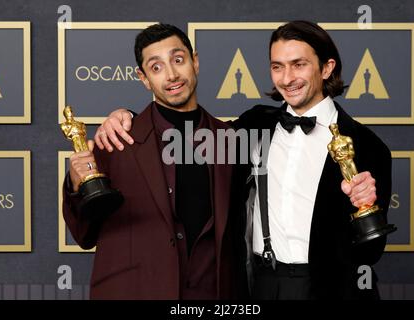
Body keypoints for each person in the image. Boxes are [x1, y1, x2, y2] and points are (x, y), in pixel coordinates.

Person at [93, 21, 390, 300]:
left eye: (299, 65)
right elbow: (181, 132)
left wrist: (364, 206)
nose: (287, 79)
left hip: (331, 289)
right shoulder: (255, 125)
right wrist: (127, 117)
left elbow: (372, 252)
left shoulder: (369, 148)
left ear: (326, 68)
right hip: (259, 285)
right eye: (278, 67)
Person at [63, 23, 240, 300]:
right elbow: (85, 235)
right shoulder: (116, 140)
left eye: (178, 60)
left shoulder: (231, 139)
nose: (171, 75)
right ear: (143, 78)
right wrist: (77, 186)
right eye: (156, 68)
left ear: (195, 62)